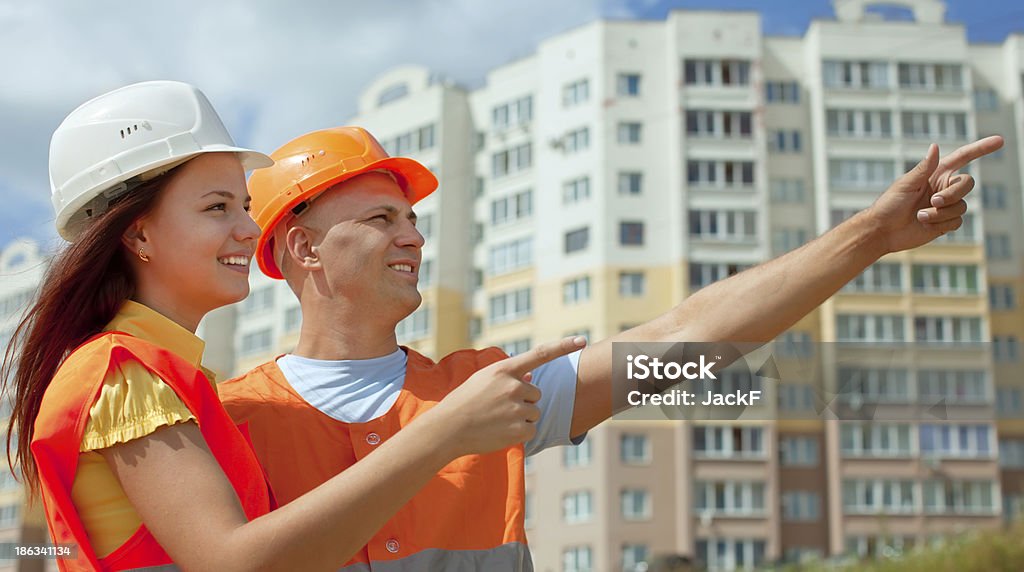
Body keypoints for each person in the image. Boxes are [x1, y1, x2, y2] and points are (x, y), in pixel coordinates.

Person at [220, 125, 1004, 571]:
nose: (414, 236)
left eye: (413, 219)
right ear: (303, 249)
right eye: (382, 219)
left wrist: (866, 238)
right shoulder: (227, 420)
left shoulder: (493, 390)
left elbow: (685, 340)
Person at [1, 82, 582, 571]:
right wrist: (445, 433)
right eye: (216, 208)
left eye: (244, 209)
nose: (250, 233)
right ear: (139, 234)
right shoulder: (125, 372)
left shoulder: (161, 372)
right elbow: (236, 562)